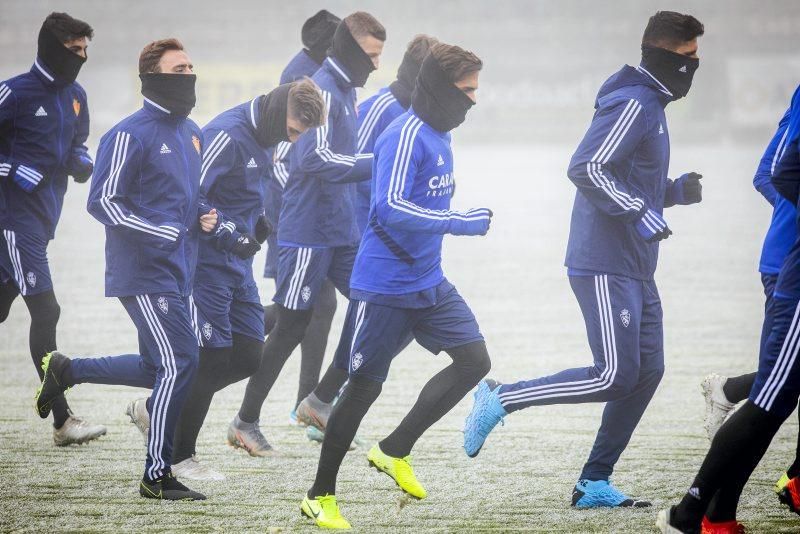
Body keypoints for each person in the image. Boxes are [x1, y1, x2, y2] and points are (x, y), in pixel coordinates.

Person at [463, 10, 705, 509]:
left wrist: (671, 193)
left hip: (636, 262)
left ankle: (593, 481)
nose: (694, 67)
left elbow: (626, 175)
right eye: (688, 57)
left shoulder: (651, 101)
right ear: (663, 53)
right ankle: (502, 396)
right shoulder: (635, 102)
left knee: (647, 370)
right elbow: (587, 167)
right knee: (615, 373)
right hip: (603, 260)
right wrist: (641, 209)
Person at [300, 42, 492, 530]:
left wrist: (450, 222)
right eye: (467, 91)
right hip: (383, 287)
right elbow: (386, 207)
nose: (473, 100)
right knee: (362, 389)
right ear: (442, 89)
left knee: (474, 361)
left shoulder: (441, 132)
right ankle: (318, 496)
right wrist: (457, 221)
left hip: (428, 282)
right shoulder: (405, 133)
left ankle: (393, 449)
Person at [33, 38, 214, 501]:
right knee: (182, 360)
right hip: (143, 271)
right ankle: (157, 475)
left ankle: (67, 369)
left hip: (178, 270)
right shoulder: (128, 133)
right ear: (151, 76)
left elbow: (190, 200)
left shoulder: (193, 132)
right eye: (179, 68)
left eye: (191, 66)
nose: (188, 74)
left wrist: (205, 216)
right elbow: (102, 202)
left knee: (160, 366)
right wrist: (162, 233)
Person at [227, 12, 385, 455]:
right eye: (371, 56)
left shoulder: (347, 89)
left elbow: (335, 157)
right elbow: (301, 160)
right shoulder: (318, 88)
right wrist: (377, 162)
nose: (376, 65)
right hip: (308, 231)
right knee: (293, 323)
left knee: (377, 300)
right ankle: (246, 420)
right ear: (351, 50)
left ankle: (319, 399)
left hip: (340, 228)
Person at [154, 79, 324, 479]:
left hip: (238, 264)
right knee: (211, 358)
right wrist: (228, 230)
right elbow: (189, 194)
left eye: (300, 134)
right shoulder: (226, 134)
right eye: (293, 129)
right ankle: (180, 458)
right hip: (206, 265)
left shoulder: (269, 133)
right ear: (279, 108)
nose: (293, 138)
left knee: (248, 355)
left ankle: (158, 405)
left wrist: (262, 224)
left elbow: (249, 191)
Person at [657, 85, 800, 534]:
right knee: (775, 396)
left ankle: (719, 513)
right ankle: (695, 514)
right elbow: (777, 171)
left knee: (780, 393)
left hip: (786, 263)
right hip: (787, 265)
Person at [296, 33, 439, 444]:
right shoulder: (379, 108)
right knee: (360, 316)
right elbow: (350, 167)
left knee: (398, 317)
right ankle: (322, 403)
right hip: (360, 232)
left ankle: (326, 400)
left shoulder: (423, 113)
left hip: (390, 237)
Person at [0, 11, 105, 446]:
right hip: (12, 219)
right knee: (47, 311)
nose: (80, 57)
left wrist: (80, 161)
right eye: (72, 50)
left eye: (84, 50)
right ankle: (63, 420)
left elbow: (74, 145)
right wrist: (10, 167)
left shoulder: (77, 95)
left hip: (45, 218)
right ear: (50, 47)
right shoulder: (15, 91)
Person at [264, 9, 342, 427]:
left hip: (311, 211)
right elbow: (288, 154)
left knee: (315, 304)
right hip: (297, 212)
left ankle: (306, 400)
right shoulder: (308, 79)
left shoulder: (317, 72)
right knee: (309, 305)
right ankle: (305, 401)